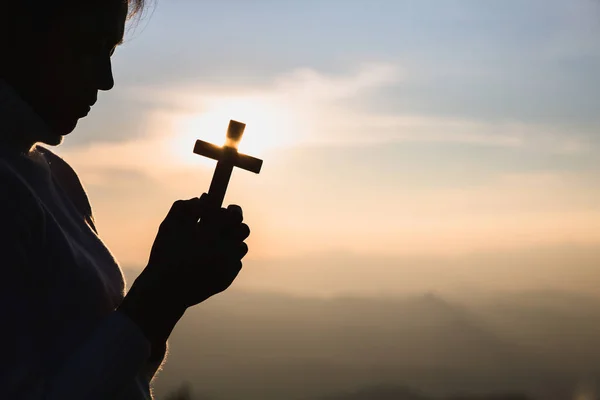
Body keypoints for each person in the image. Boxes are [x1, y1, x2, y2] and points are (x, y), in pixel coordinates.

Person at [0, 0, 251, 399]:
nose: (106, 79)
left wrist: (165, 300)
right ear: (17, 29)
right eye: (89, 45)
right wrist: (156, 297)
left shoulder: (56, 177)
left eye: (111, 50)